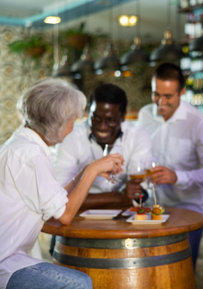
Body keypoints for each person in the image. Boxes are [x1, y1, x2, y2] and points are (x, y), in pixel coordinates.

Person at [0, 79, 124, 289]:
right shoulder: (31, 154)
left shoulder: (23, 144)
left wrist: (85, 171)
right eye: (71, 121)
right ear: (55, 123)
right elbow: (65, 215)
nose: (71, 128)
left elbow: (52, 203)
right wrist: (92, 170)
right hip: (5, 260)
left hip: (12, 255)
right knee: (79, 283)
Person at [137, 62, 203, 267]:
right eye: (156, 94)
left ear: (182, 92)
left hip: (187, 213)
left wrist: (177, 177)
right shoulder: (144, 115)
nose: (160, 102)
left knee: (179, 276)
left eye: (168, 96)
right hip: (151, 211)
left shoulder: (199, 123)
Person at [54, 83, 152, 210]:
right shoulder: (71, 136)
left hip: (123, 217)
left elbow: (139, 194)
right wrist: (119, 197)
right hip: (78, 217)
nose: (102, 126)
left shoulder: (138, 136)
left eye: (110, 120)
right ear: (88, 113)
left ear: (123, 117)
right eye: (96, 118)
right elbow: (60, 198)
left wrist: (82, 200)